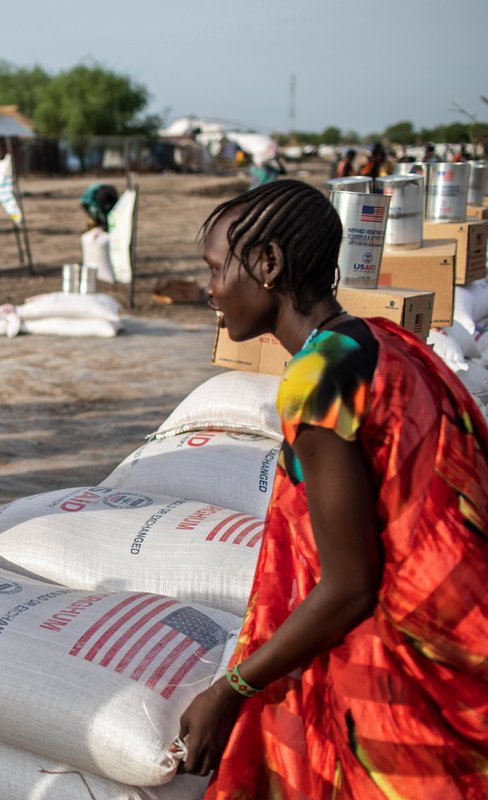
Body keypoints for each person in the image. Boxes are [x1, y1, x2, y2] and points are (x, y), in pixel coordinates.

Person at [179, 178, 488, 798]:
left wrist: (230, 689)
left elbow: (350, 586)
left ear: (267, 265)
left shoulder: (318, 383)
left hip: (411, 670)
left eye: (216, 269)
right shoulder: (382, 341)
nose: (211, 291)